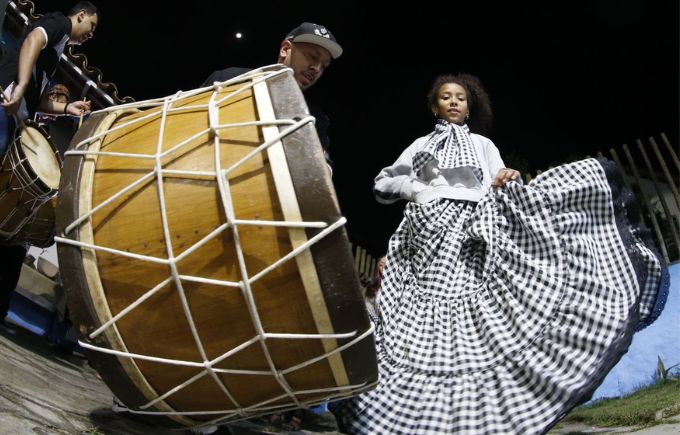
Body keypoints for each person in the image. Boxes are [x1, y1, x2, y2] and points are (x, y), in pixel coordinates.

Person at [340, 73, 667, 434]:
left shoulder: (482, 144)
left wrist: (507, 176)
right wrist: (419, 191)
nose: (453, 102)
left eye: (460, 98)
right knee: (426, 324)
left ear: (469, 107)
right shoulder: (420, 145)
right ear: (435, 106)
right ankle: (421, 416)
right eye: (446, 97)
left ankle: (485, 417)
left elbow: (497, 179)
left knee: (479, 320)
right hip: (427, 236)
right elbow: (383, 182)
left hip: (474, 231)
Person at [0, 1, 99, 335]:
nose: (90, 34)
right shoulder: (57, 24)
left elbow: (41, 100)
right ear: (81, 16)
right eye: (92, 26)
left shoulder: (56, 54)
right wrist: (22, 86)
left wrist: (66, 107)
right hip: (5, 103)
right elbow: (30, 41)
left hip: (17, 109)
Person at [201, 22, 342, 175]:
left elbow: (323, 174)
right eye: (313, 56)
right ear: (285, 49)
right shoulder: (229, 79)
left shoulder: (315, 118)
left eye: (324, 65)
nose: (317, 68)